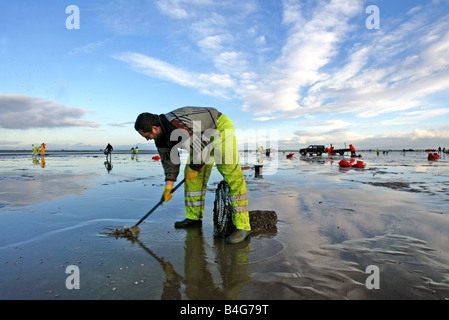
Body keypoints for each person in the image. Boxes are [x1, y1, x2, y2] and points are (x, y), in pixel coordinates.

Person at [135, 106, 250, 244]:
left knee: (231, 173)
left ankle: (243, 226)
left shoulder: (176, 126)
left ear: (154, 128)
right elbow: (170, 162)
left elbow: (202, 149)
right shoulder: (160, 137)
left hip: (219, 128)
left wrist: (194, 168)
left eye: (147, 136)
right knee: (192, 179)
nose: (148, 139)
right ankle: (194, 218)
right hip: (200, 140)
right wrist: (168, 187)